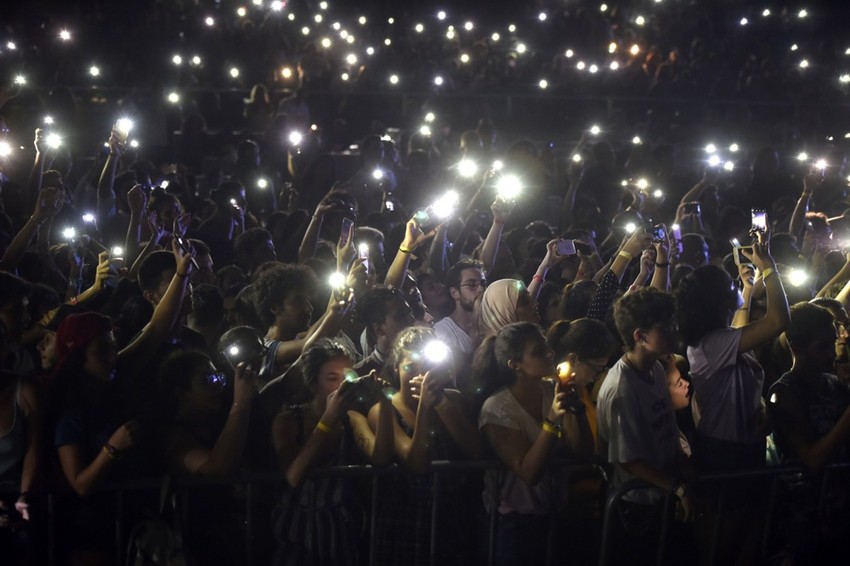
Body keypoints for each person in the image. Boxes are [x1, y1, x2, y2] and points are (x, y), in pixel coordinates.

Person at [475, 321, 593, 566]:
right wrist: (552, 419)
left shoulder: (552, 390)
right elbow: (528, 472)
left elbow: (581, 452)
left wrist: (576, 410)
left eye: (547, 347)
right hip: (514, 524)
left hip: (556, 513)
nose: (550, 353)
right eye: (539, 351)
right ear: (514, 364)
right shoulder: (497, 408)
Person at [271, 338, 393, 566]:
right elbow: (293, 475)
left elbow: (381, 456)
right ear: (313, 381)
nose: (342, 386)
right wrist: (328, 417)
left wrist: (384, 401)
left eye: (347, 377)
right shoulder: (289, 420)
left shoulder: (352, 419)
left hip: (339, 533)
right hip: (297, 533)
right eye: (332, 378)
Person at [368, 326, 482, 566]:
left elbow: (477, 452)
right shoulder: (384, 410)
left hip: (454, 518)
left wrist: (439, 401)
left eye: (427, 367)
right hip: (409, 520)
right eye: (410, 367)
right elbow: (417, 462)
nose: (419, 375)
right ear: (396, 368)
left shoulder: (453, 399)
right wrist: (425, 408)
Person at [596, 288, 694, 564]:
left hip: (660, 493)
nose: (675, 332)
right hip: (635, 504)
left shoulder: (656, 369)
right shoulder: (622, 389)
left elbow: (667, 424)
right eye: (666, 327)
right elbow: (627, 460)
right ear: (640, 336)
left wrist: (680, 461)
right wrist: (678, 488)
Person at [767, 302, 850, 562]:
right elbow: (811, 458)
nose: (831, 354)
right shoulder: (784, 392)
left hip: (839, 512)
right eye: (822, 347)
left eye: (831, 344)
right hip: (804, 517)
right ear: (797, 348)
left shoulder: (833, 384)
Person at [434, 259, 486, 358]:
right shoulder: (442, 332)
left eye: (483, 283)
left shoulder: (491, 322)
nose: (481, 289)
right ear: (454, 293)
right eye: (472, 285)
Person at [476, 279, 540, 338]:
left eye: (529, 297)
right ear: (504, 313)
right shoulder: (502, 350)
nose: (535, 304)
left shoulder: (532, 340)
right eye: (525, 303)